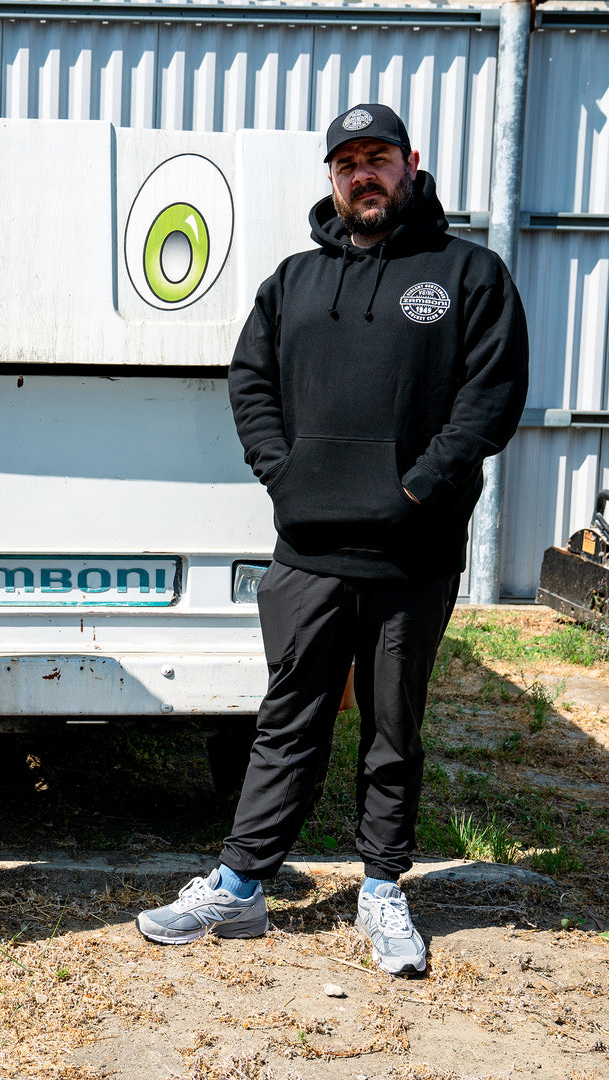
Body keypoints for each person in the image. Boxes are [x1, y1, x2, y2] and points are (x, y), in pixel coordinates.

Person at [136, 103, 529, 975]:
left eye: (378, 157)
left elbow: (490, 400)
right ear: (331, 177)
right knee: (288, 720)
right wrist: (284, 472)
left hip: (410, 554)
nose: (364, 174)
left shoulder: (469, 274)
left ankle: (383, 888)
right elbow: (250, 381)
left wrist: (420, 486)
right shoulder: (294, 282)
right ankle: (241, 885)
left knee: (394, 726)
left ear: (411, 164)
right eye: (347, 162)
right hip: (307, 552)